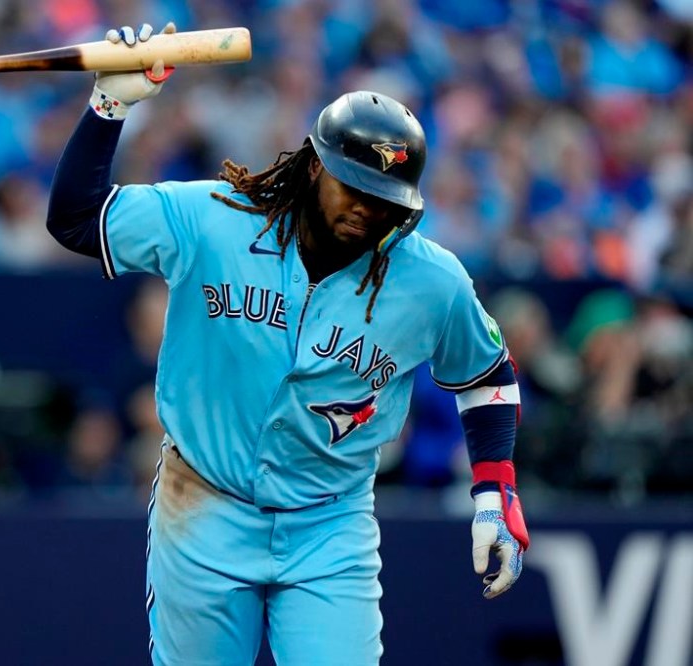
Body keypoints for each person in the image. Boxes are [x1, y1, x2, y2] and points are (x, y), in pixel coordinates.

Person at [46, 23, 531, 665]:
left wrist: (495, 489)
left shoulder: (430, 279)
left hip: (329, 526)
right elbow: (76, 220)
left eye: (386, 200)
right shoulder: (216, 218)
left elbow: (487, 376)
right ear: (313, 165)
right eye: (353, 187)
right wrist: (110, 107)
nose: (367, 209)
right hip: (203, 507)